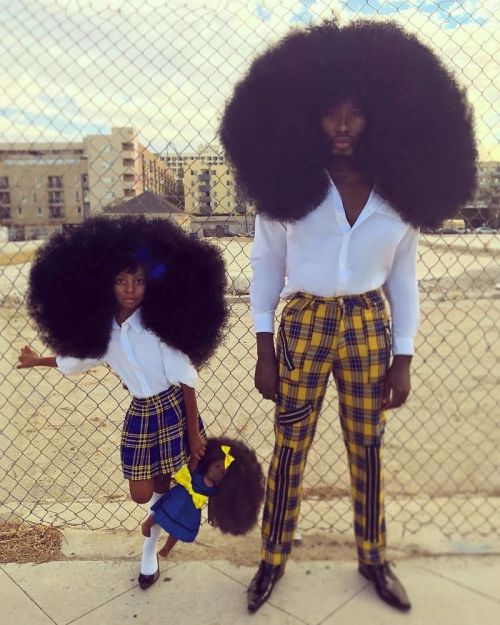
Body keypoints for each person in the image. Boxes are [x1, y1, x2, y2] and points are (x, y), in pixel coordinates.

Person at [220, 19, 476, 613]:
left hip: (368, 325)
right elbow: (265, 267)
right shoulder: (286, 188)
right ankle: (273, 559)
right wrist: (263, 348)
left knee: (368, 447)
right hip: (303, 323)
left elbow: (403, 278)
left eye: (354, 113)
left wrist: (404, 356)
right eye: (329, 112)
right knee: (291, 446)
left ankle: (373, 557)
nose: (341, 126)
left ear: (377, 116)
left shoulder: (400, 195)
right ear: (305, 114)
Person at [17, 215, 228, 589]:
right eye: (120, 280)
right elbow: (74, 361)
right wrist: (38, 361)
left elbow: (186, 378)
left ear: (151, 283)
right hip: (141, 413)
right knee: (141, 491)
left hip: (174, 409)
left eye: (139, 280)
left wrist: (195, 434)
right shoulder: (101, 331)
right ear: (104, 283)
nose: (130, 289)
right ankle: (159, 521)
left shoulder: (159, 325)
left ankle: (149, 551)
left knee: (163, 482)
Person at [141, 437, 265, 559]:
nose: (218, 472)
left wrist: (212, 515)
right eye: (217, 466)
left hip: (191, 509)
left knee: (178, 529)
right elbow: (195, 457)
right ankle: (147, 524)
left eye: (223, 473)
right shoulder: (197, 471)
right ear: (210, 462)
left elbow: (213, 502)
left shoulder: (214, 488)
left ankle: (167, 548)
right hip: (178, 498)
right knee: (162, 512)